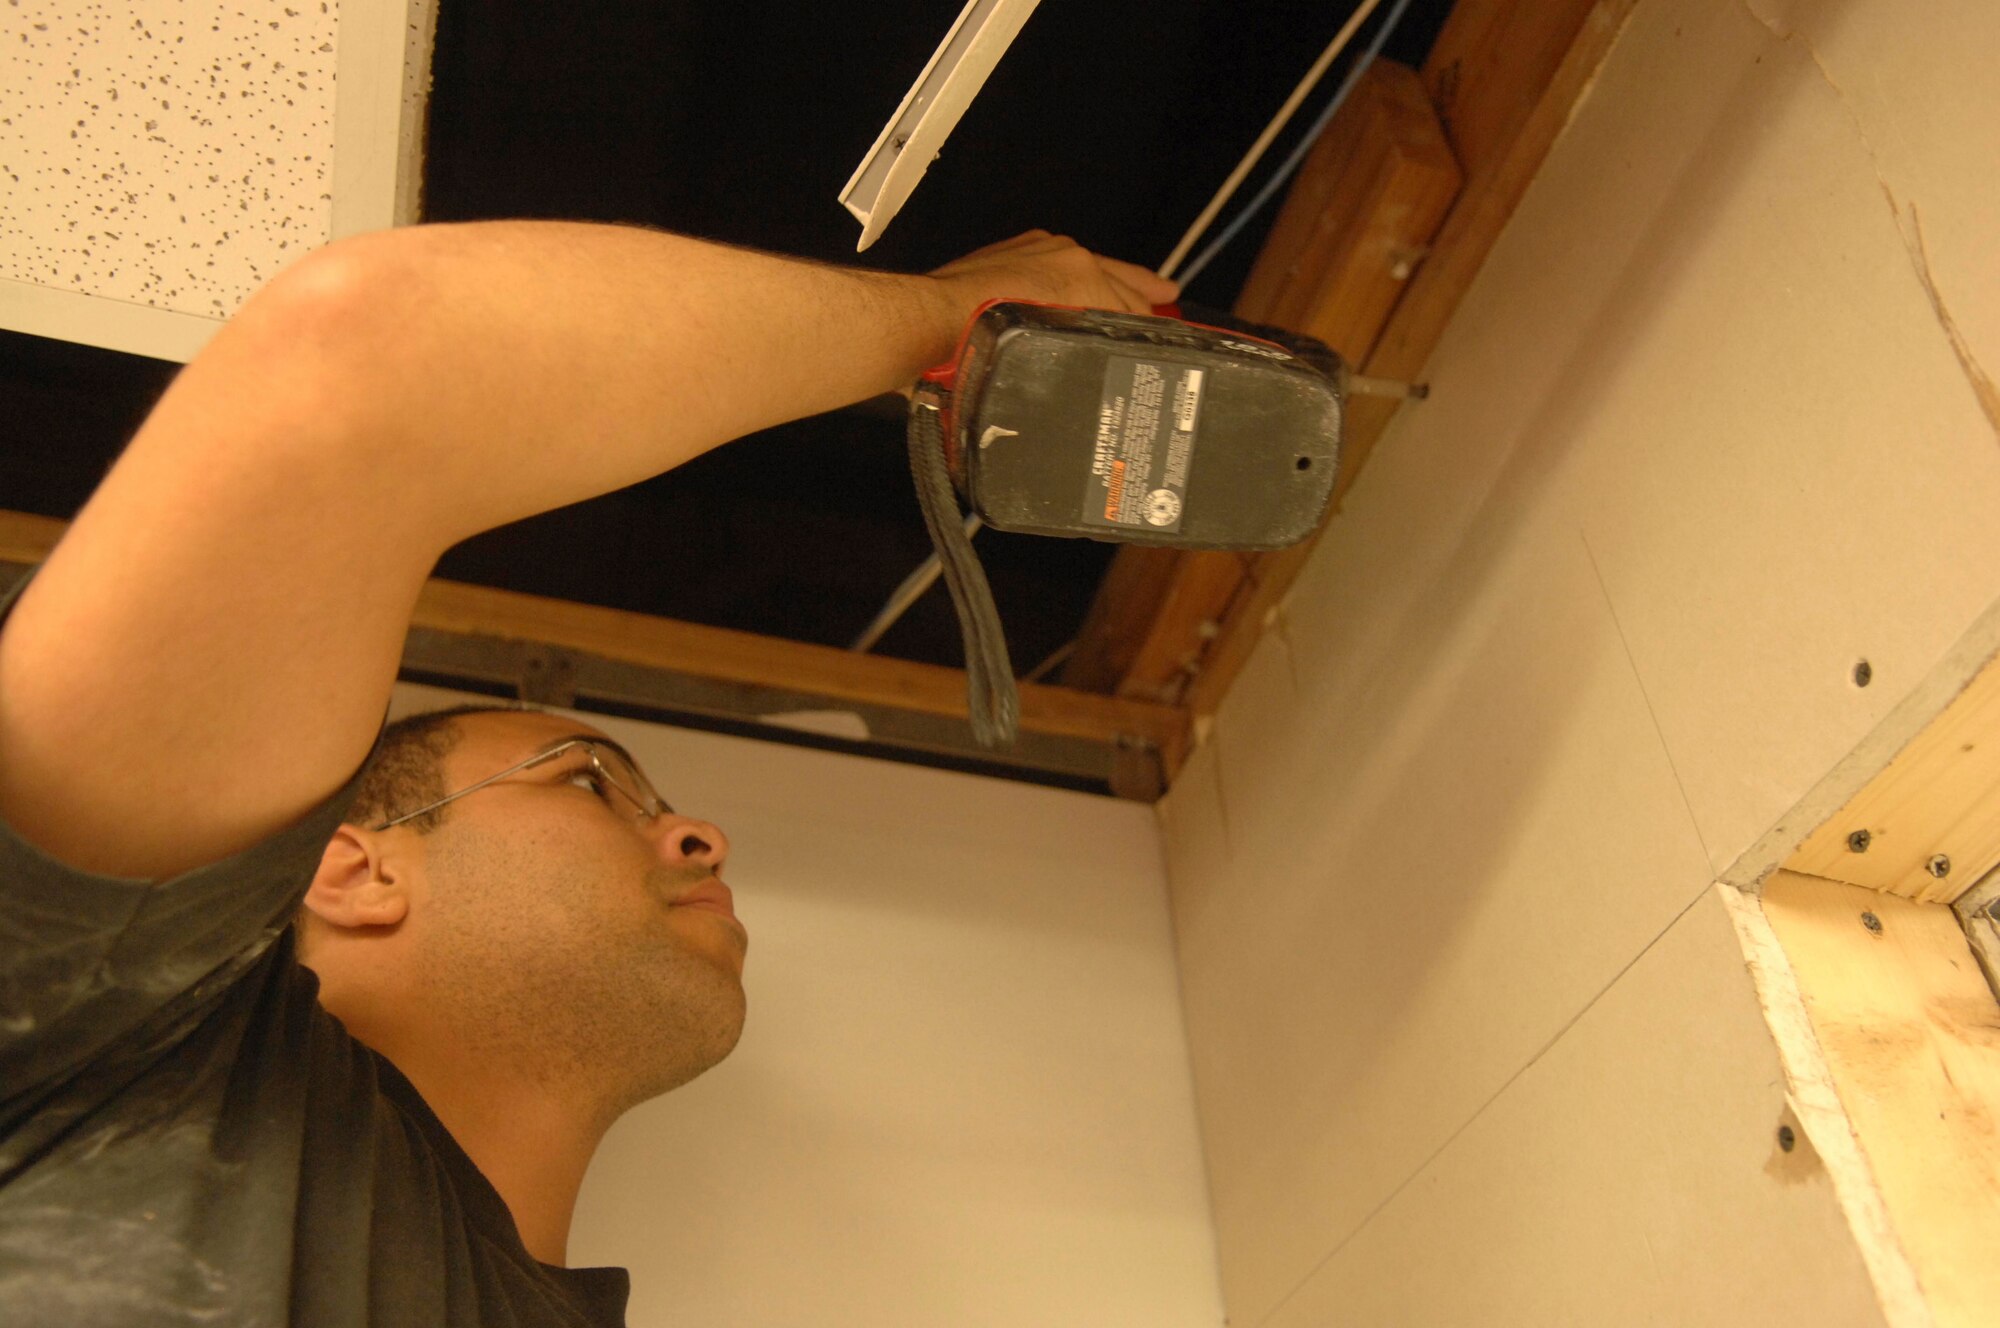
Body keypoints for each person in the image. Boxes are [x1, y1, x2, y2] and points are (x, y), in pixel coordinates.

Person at [0, 222, 1179, 1325]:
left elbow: (365, 366)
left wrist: (959, 319)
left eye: (596, 781)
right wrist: (948, 319)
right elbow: (363, 363)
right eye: (590, 780)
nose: (699, 836)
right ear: (350, 871)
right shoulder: (119, 1027)